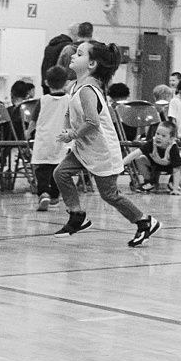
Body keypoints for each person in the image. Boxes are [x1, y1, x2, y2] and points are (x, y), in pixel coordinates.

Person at [52, 40, 161, 246]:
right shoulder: (76, 86)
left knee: (110, 195)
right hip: (85, 147)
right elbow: (70, 110)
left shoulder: (87, 90)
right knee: (61, 173)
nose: (73, 56)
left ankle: (145, 221)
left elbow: (92, 123)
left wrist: (73, 134)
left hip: (102, 150)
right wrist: (68, 127)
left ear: (92, 64)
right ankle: (77, 215)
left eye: (80, 54)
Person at [29, 64, 71, 212]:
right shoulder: (70, 100)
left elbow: (33, 121)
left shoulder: (42, 100)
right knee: (58, 168)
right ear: (66, 83)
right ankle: (54, 196)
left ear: (47, 82)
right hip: (63, 139)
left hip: (44, 139)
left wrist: (27, 133)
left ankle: (43, 193)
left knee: (42, 168)